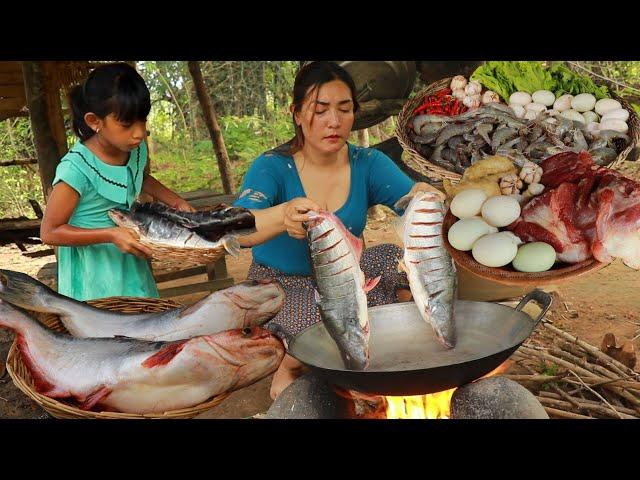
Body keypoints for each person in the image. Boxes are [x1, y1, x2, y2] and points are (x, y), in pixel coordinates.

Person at [233, 61, 445, 399]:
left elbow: (409, 198)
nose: (334, 121)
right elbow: (239, 230)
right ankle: (289, 368)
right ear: (297, 114)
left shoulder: (367, 163)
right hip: (281, 283)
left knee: (393, 260)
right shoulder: (272, 166)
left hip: (347, 278)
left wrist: (425, 197)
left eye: (344, 110)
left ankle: (402, 342)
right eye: (320, 110)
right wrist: (282, 215)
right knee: (314, 329)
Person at [40, 63, 195, 301]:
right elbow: (50, 232)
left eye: (142, 120)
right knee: (106, 330)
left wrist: (176, 201)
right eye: (126, 124)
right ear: (94, 121)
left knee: (141, 321)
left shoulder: (132, 149)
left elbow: (137, 176)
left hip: (130, 261)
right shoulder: (76, 169)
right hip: (93, 272)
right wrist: (111, 235)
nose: (139, 133)